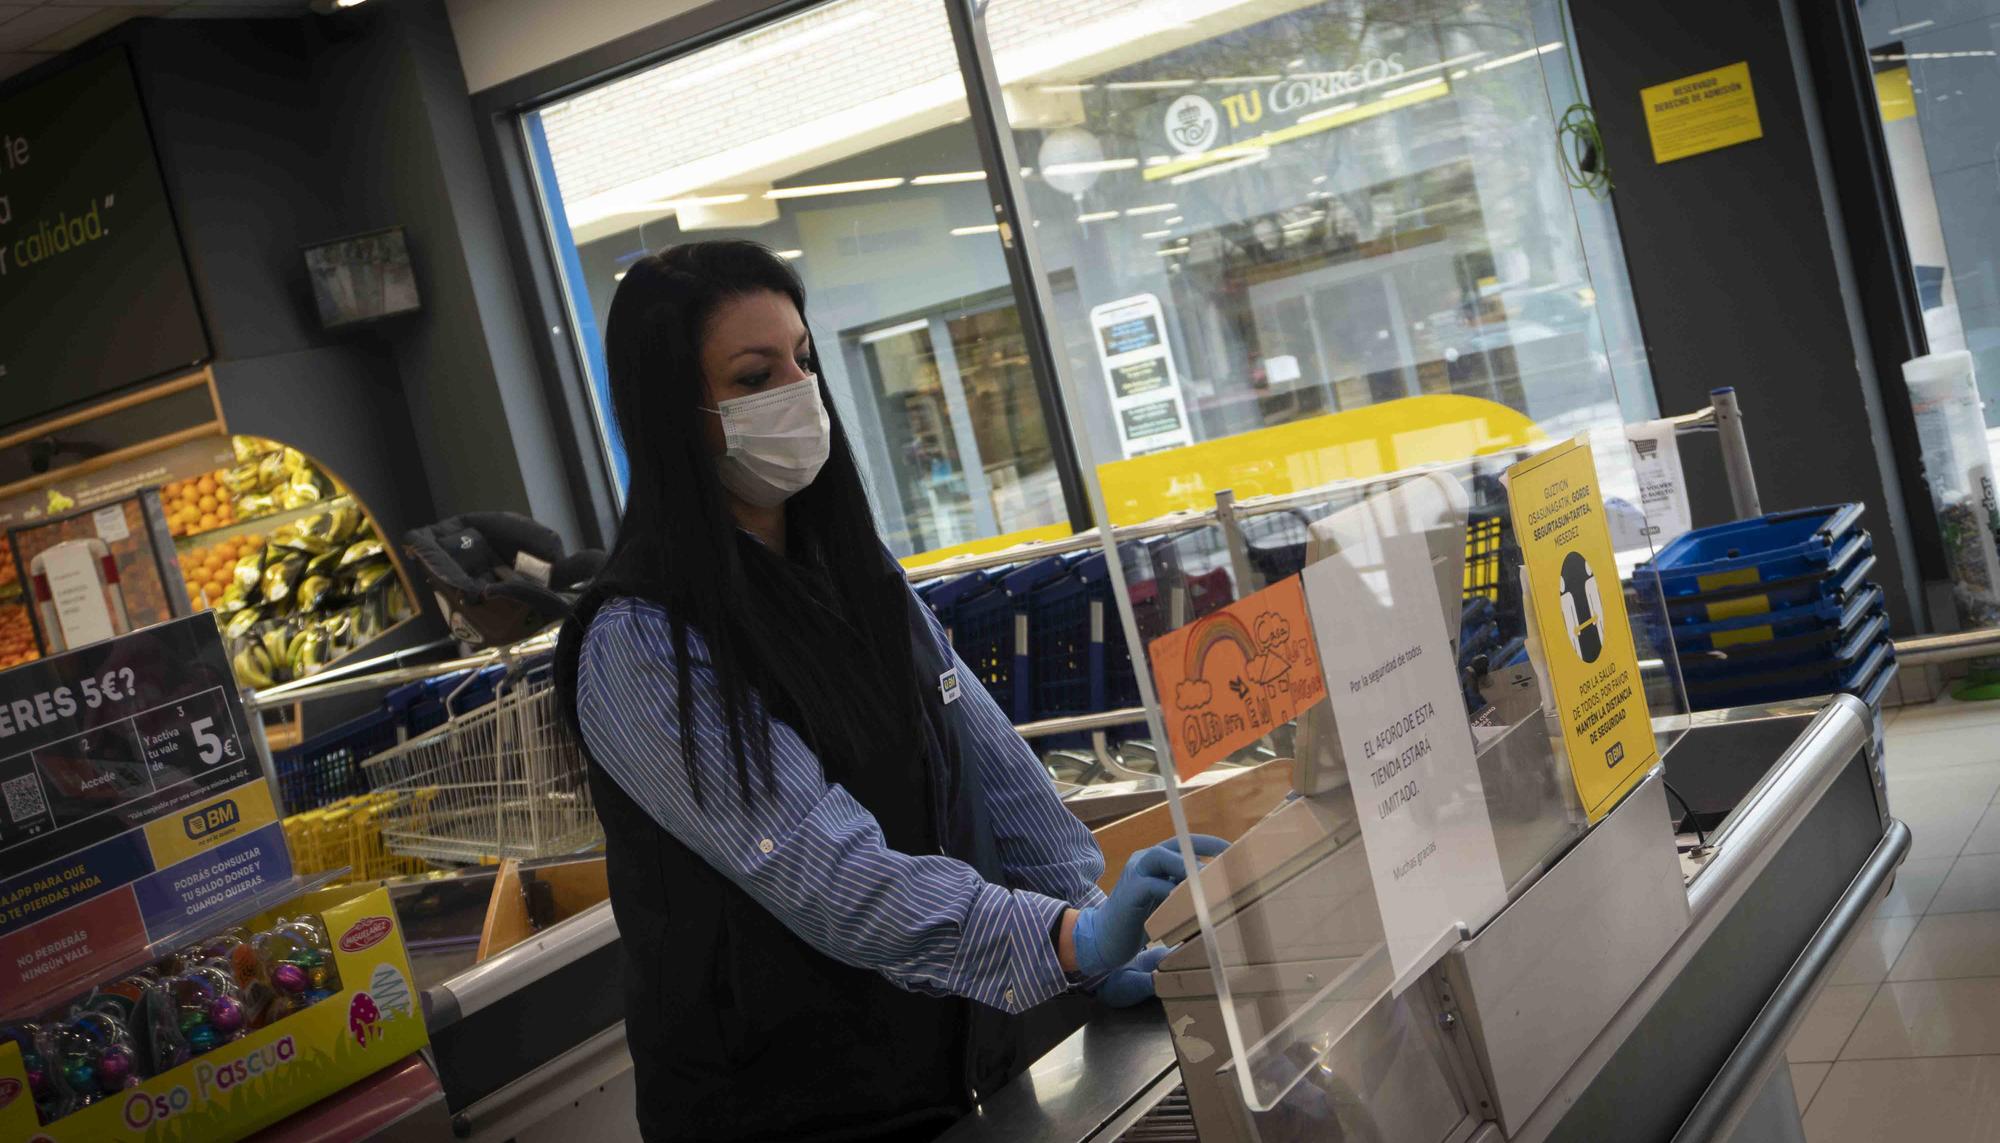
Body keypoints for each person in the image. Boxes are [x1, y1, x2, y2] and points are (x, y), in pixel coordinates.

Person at [554, 240, 1224, 1143]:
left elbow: (989, 769)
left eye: (804, 359)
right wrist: (1061, 940)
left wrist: (1091, 917)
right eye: (755, 376)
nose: (798, 390)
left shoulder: (858, 571)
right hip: (786, 1114)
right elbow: (824, 871)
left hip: (957, 1077)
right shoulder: (641, 638)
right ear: (675, 410)